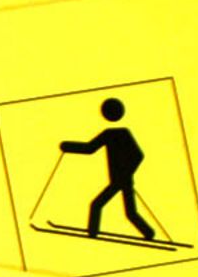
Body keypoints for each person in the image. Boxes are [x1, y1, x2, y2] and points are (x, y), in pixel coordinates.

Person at [60, 98, 155, 240]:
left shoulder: (119, 133)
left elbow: (138, 156)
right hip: (122, 180)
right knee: (130, 212)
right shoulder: (111, 133)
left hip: (120, 180)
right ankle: (148, 233)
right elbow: (90, 148)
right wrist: (68, 147)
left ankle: (92, 233)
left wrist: (126, 173)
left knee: (97, 205)